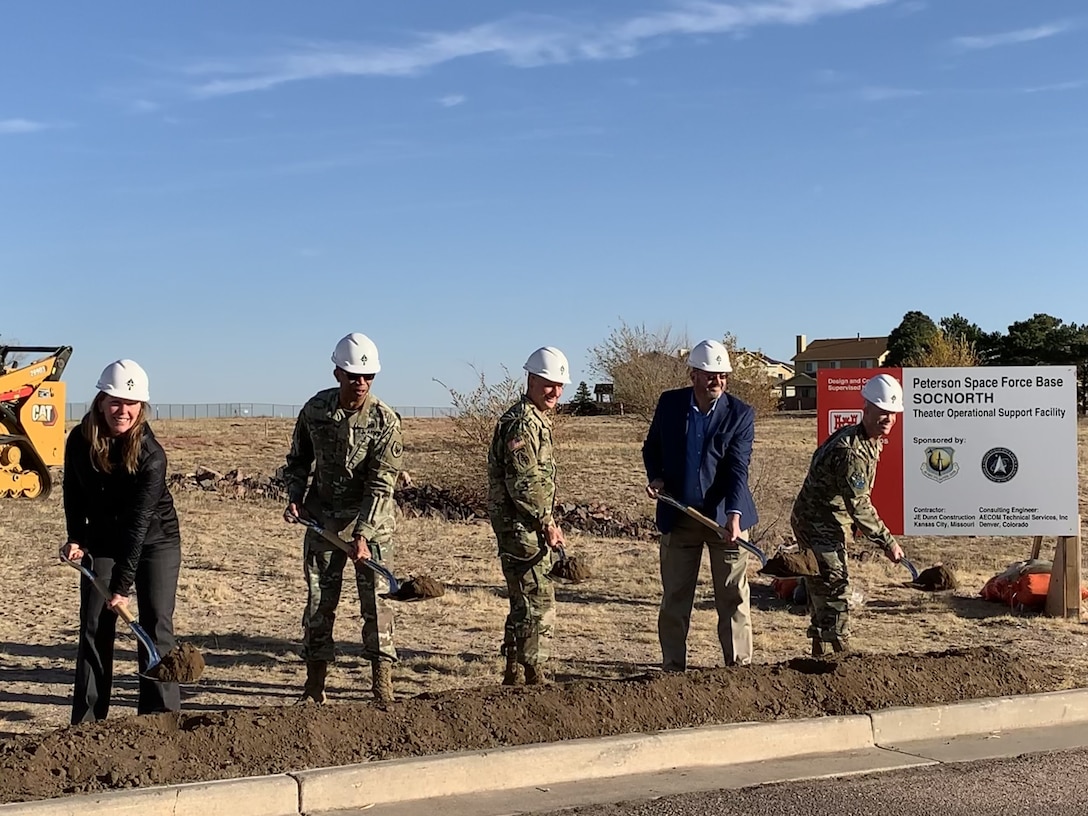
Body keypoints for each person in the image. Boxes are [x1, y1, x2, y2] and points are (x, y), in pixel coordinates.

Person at [282, 332, 404, 705]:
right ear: (337, 373)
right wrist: (295, 497)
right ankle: (314, 686)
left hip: (372, 524)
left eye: (367, 377)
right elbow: (298, 459)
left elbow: (382, 484)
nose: (361, 384)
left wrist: (364, 534)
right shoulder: (315, 410)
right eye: (353, 376)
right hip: (323, 523)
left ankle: (382, 687)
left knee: (377, 606)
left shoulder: (385, 421)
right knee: (319, 603)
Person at [61, 359, 182, 723]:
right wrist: (76, 537)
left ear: (141, 407)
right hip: (102, 538)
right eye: (115, 400)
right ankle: (87, 723)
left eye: (131, 403)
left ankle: (158, 718)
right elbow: (72, 491)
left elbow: (138, 525)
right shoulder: (80, 441)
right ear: (100, 401)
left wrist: (122, 587)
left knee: (155, 624)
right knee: (95, 625)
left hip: (155, 541)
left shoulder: (151, 456)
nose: (122, 410)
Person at [642, 339, 759, 671]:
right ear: (693, 374)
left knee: (733, 597)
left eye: (722, 375)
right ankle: (673, 668)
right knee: (675, 597)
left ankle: (739, 669)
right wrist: (657, 477)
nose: (717, 382)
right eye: (710, 375)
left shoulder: (740, 414)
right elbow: (652, 448)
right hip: (680, 516)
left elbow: (739, 468)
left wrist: (734, 515)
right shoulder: (670, 404)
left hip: (726, 521)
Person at [790, 373, 905, 656]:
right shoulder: (851, 450)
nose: (888, 419)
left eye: (892, 414)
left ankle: (819, 653)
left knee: (821, 587)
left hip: (823, 521)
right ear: (866, 410)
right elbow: (859, 505)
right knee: (835, 588)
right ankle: (842, 658)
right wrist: (888, 542)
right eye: (882, 413)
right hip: (818, 524)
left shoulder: (868, 440)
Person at [487, 346, 570, 686]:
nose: (556, 392)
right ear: (532, 379)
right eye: (549, 384)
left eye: (560, 385)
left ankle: (514, 671)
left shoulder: (533, 419)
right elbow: (523, 482)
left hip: (525, 525)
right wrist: (546, 523)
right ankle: (534, 673)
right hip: (522, 527)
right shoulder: (522, 423)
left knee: (522, 600)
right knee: (538, 600)